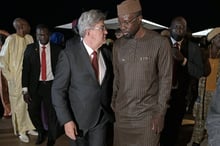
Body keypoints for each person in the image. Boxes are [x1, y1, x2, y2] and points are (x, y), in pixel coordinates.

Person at [111, 0, 173, 145]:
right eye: (120, 22)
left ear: (140, 19)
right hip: (122, 117)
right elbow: (117, 77)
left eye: (126, 22)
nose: (122, 27)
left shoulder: (160, 43)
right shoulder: (118, 45)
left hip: (148, 117)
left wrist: (160, 113)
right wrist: (114, 102)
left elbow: (166, 80)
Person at [51, 9, 114, 146]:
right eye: (102, 28)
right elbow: (57, 91)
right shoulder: (69, 56)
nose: (106, 32)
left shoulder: (107, 54)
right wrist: (67, 121)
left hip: (101, 119)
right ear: (88, 31)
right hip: (78, 122)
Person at [159, 16, 205, 146]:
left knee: (173, 129)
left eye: (182, 27)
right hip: (159, 95)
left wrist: (184, 60)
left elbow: (199, 72)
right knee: (158, 128)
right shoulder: (161, 43)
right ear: (170, 28)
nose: (179, 29)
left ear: (185, 30)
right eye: (176, 26)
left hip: (180, 96)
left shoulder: (193, 48)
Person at [22, 24, 63, 146]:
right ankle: (41, 132)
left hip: (51, 86)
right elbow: (25, 70)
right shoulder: (30, 49)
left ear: (49, 35)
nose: (43, 37)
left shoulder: (58, 49)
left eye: (45, 34)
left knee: (52, 113)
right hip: (35, 86)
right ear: (36, 35)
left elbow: (62, 70)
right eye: (40, 34)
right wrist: (25, 90)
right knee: (32, 110)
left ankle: (51, 136)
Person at [0, 17, 37, 143]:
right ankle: (21, 131)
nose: (29, 27)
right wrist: (11, 78)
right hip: (16, 80)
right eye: (27, 24)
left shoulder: (30, 38)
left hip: (29, 78)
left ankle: (30, 127)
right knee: (18, 105)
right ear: (21, 26)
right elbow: (3, 61)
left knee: (29, 104)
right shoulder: (11, 39)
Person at [193, 28, 220, 146]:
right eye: (219, 38)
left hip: (216, 94)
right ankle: (196, 141)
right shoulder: (203, 53)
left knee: (214, 121)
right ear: (213, 40)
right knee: (199, 119)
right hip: (201, 92)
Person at [0, 30, 11, 119]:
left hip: (6, 67)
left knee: (7, 89)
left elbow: (9, 36)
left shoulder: (5, 42)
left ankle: (8, 110)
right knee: (3, 90)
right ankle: (7, 110)